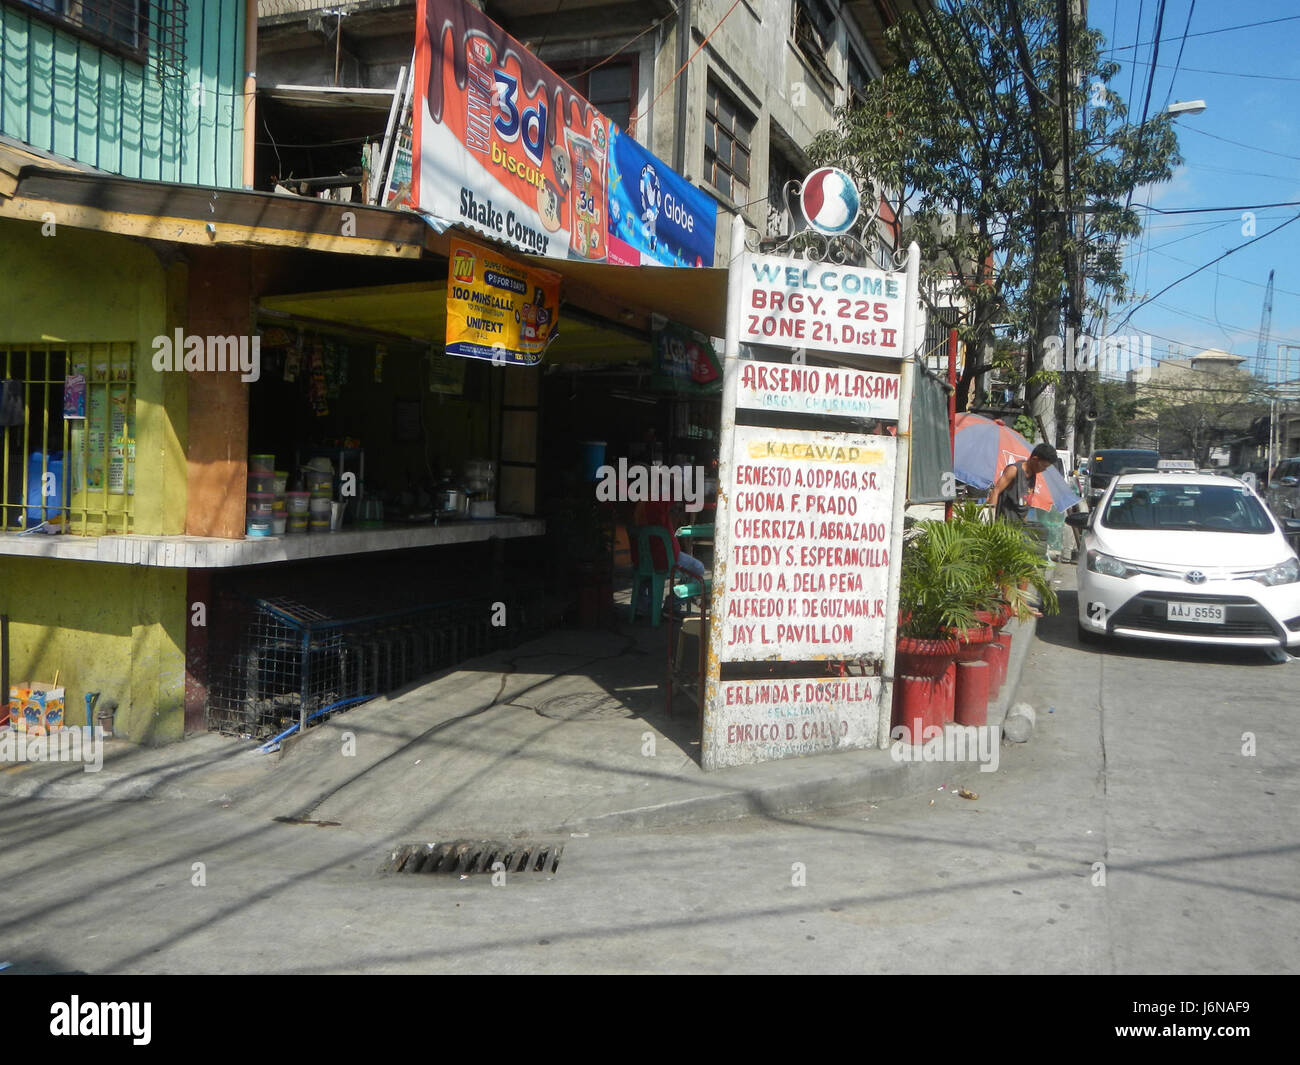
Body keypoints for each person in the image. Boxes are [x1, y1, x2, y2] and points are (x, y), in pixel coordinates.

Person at [986, 443, 1057, 525]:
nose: (1044, 470)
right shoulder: (1014, 470)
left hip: (1017, 527)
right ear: (1034, 459)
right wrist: (989, 521)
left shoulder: (1033, 474)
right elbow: (995, 491)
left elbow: (1024, 503)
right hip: (1002, 525)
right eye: (1044, 466)